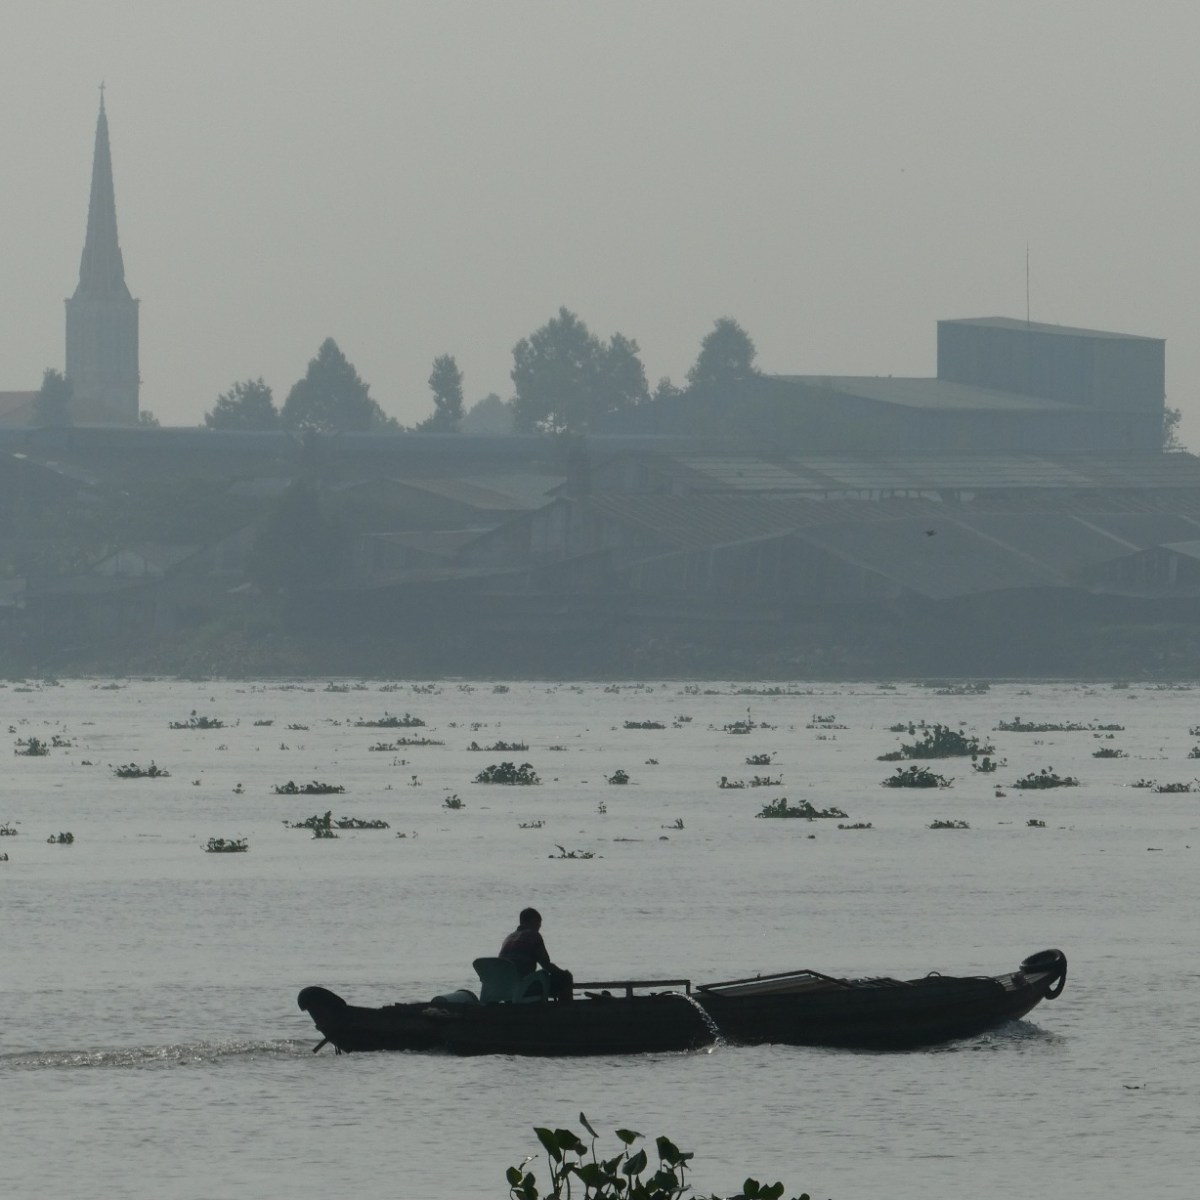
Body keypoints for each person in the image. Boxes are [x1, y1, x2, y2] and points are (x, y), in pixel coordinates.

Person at [499, 907, 574, 1001]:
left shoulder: (509, 938)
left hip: (505, 987)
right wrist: (563, 974)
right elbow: (546, 965)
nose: (539, 928)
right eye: (539, 924)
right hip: (524, 988)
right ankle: (567, 1010)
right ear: (533, 921)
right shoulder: (533, 936)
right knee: (566, 977)